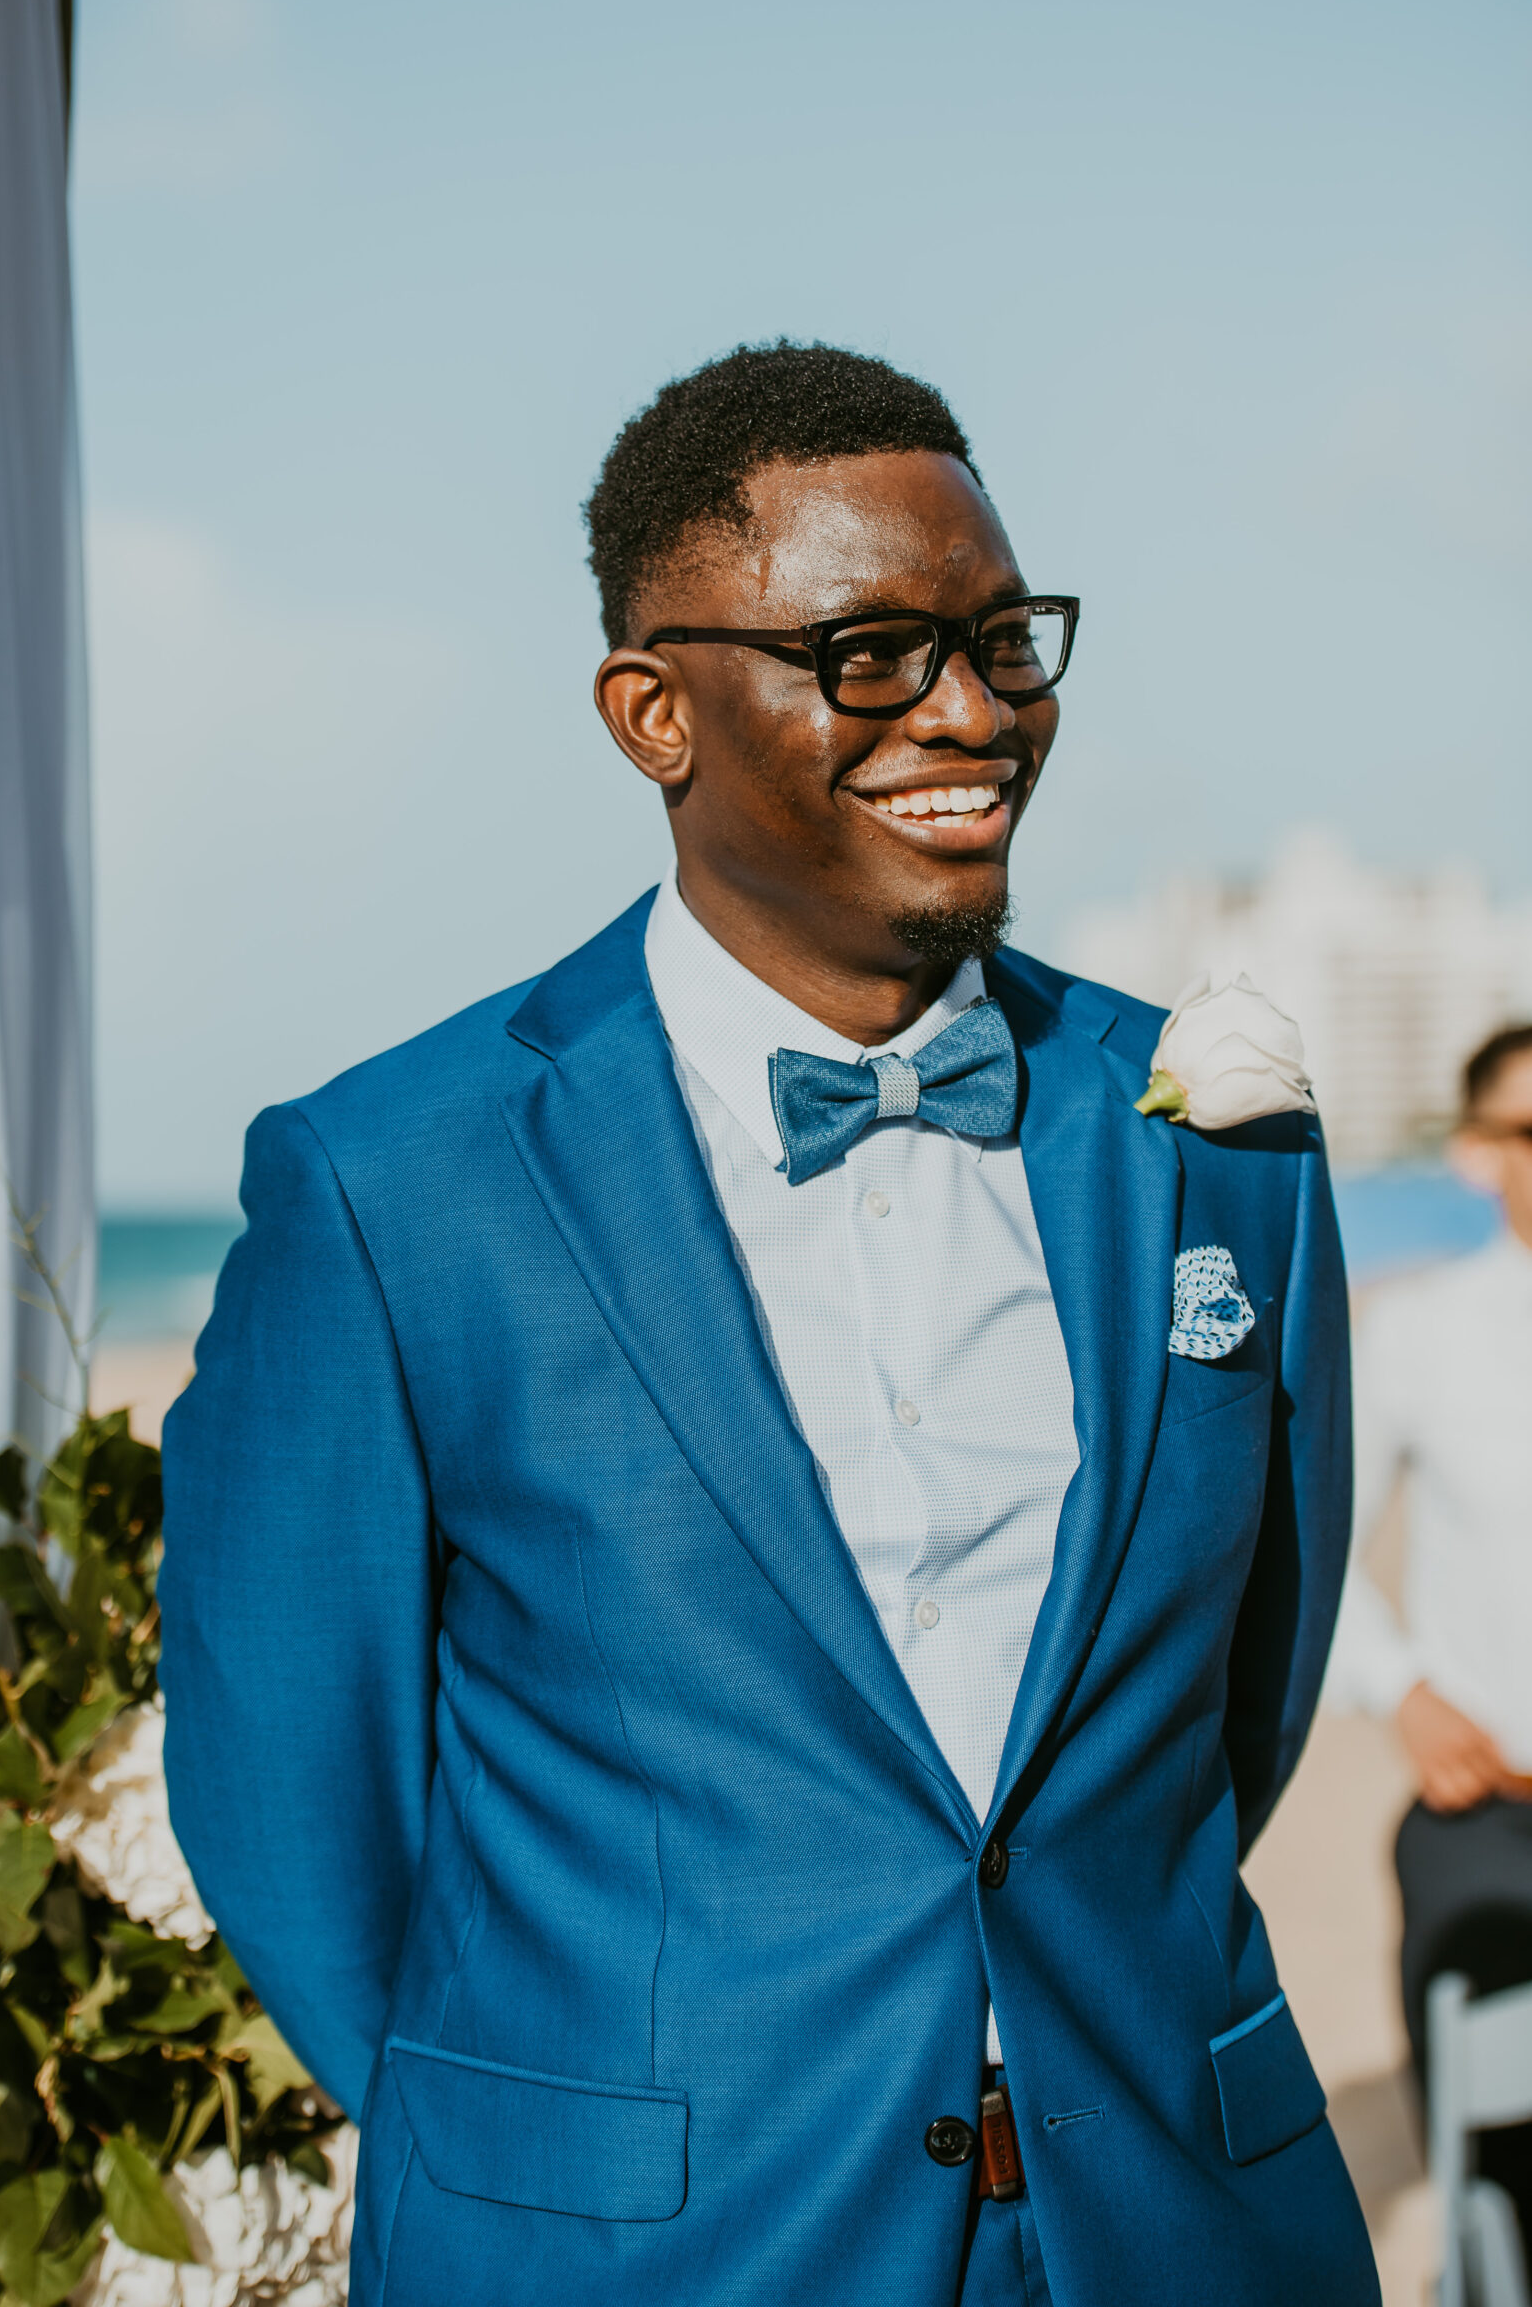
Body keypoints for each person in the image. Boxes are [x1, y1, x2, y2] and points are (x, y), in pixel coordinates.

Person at [159, 342, 1377, 2305]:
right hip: (641, 2250)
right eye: (872, 650)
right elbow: (296, 1805)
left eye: (1002, 637)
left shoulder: (1206, 1130)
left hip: (1170, 2217)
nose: (969, 711)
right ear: (652, 709)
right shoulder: (393, 1181)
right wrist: (587, 2115)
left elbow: (1246, 1684)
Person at [1324, 1022, 1532, 2251]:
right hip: (1489, 1821)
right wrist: (1402, 1691)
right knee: (1491, 2193)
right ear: (1471, 1154)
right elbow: (1311, 1546)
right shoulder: (1418, 1329)